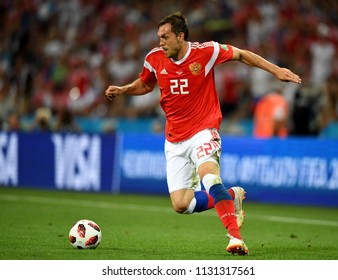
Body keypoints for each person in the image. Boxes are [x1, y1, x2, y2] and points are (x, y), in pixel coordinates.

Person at [105, 12, 301, 255]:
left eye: (165, 37)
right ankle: (231, 196)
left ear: (180, 36)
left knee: (209, 178)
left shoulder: (206, 52)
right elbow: (146, 84)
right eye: (158, 38)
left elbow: (242, 55)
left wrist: (276, 70)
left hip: (204, 131)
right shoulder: (154, 58)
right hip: (174, 139)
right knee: (181, 205)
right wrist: (124, 89)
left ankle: (235, 238)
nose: (160, 42)